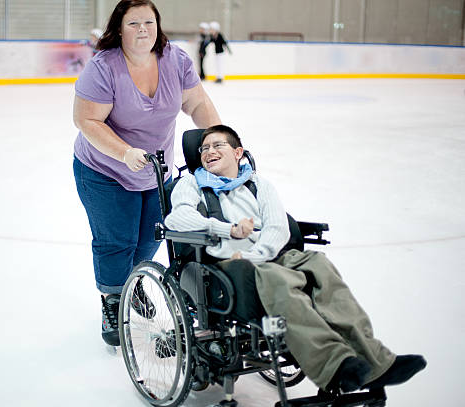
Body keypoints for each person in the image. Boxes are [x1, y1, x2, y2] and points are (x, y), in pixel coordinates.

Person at [164, 124, 427, 393]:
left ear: (238, 152)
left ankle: (376, 361)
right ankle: (334, 366)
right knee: (278, 278)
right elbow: (177, 218)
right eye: (204, 148)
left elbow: (278, 227)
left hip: (268, 254)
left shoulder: (259, 185)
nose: (209, 152)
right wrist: (226, 229)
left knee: (319, 265)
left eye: (217, 145)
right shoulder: (191, 183)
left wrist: (259, 254)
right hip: (229, 263)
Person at [72, 0, 221, 347]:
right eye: (134, 23)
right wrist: (124, 152)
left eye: (148, 22)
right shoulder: (104, 67)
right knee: (116, 241)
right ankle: (113, 301)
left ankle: (132, 284)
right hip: (104, 169)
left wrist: (220, 141)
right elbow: (86, 120)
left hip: (155, 171)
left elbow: (197, 103)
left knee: (150, 238)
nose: (142, 30)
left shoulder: (175, 59)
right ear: (119, 29)